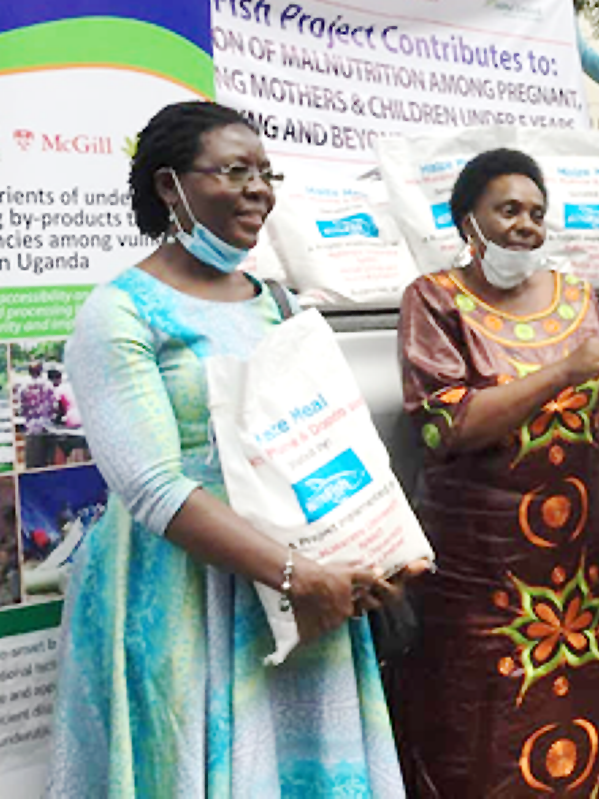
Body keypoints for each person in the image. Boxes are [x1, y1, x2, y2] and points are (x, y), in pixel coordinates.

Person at [47, 100, 418, 797]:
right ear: (170, 187)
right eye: (236, 170)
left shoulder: (274, 301)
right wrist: (294, 575)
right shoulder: (118, 313)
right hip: (185, 590)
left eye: (266, 172)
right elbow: (153, 485)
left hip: (302, 582)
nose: (259, 188)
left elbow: (325, 441)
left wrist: (377, 549)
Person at [393, 148, 599, 796]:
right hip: (478, 574)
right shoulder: (434, 301)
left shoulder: (579, 299)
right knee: (482, 728)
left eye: (537, 213)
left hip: (572, 574)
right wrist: (561, 372)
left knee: (577, 721)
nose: (525, 225)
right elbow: (446, 424)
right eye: (507, 209)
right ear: (467, 222)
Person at [16, 361, 55, 469]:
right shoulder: (48, 385)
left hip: (32, 429)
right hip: (47, 427)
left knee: (32, 466)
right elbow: (53, 405)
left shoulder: (23, 387)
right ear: (41, 370)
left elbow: (21, 408)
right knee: (48, 464)